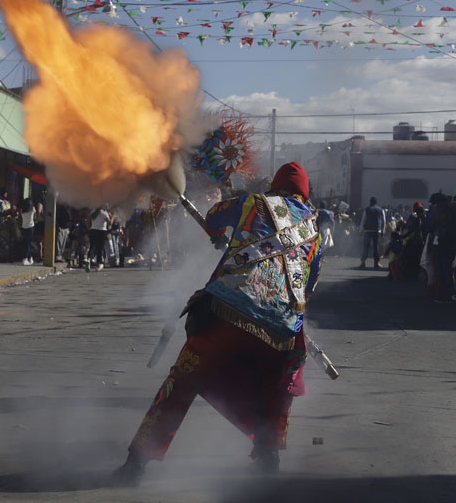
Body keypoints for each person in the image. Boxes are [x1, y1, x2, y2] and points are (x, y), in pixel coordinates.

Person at [114, 162, 323, 486]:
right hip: (281, 328)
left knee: (180, 384)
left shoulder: (254, 203)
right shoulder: (314, 231)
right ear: (304, 195)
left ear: (274, 185)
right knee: (273, 389)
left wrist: (219, 236)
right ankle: (269, 460)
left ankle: (135, 464)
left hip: (227, 311)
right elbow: (307, 289)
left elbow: (213, 216)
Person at [358, 196, 385, 268]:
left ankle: (363, 262)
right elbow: (384, 221)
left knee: (366, 247)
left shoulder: (366, 209)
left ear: (370, 202)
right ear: (376, 202)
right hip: (377, 230)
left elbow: (363, 221)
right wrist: (383, 231)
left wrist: (360, 231)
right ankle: (377, 263)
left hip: (367, 230)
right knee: (376, 247)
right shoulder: (380, 209)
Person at [88, 205, 111, 271]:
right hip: (101, 231)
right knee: (99, 248)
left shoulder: (93, 212)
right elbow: (110, 223)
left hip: (93, 230)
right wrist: (113, 217)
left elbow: (88, 221)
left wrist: (89, 228)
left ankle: (88, 259)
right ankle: (98, 264)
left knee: (92, 247)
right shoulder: (104, 213)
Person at [19, 198, 36, 266]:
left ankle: (30, 257)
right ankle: (25, 258)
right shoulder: (32, 209)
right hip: (30, 227)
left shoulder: (22, 210)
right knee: (28, 244)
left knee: (26, 243)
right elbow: (35, 216)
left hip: (24, 227)